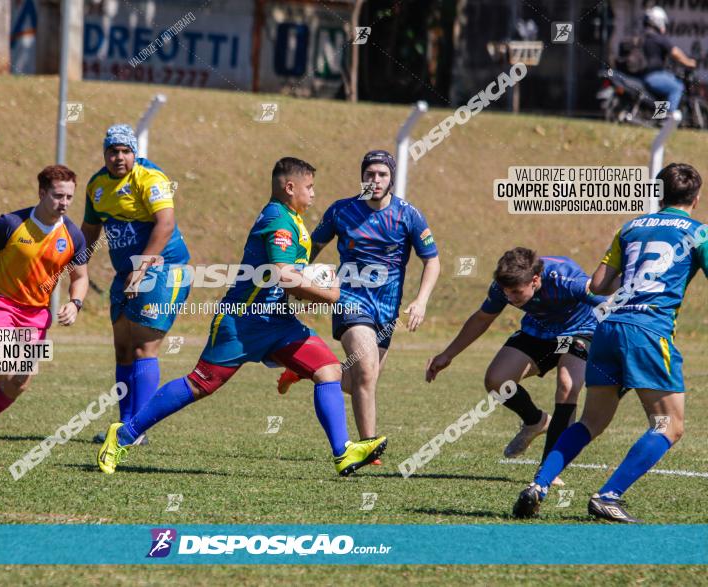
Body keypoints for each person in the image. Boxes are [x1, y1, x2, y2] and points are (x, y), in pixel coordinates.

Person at [96, 157, 387, 476]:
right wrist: (331, 294)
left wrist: (314, 280)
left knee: (328, 369)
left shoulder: (292, 218)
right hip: (243, 321)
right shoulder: (278, 220)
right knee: (199, 385)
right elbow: (282, 275)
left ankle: (342, 453)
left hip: (277, 322)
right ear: (290, 188)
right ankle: (122, 435)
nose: (314, 193)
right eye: (310, 187)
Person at [513, 163, 706, 523]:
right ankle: (608, 495)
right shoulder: (699, 233)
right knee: (669, 424)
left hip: (606, 330)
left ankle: (539, 485)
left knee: (590, 421)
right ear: (696, 197)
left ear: (659, 194)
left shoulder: (630, 228)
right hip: (648, 331)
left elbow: (598, 285)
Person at [275, 150, 440, 467]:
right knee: (365, 371)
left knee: (359, 380)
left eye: (382, 174)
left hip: (387, 310)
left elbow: (431, 260)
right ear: (362, 175)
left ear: (391, 178)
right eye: (369, 173)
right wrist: (294, 281)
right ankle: (368, 447)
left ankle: (305, 371)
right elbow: (310, 246)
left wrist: (421, 301)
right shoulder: (341, 210)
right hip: (350, 301)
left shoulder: (408, 215)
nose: (375, 180)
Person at [426, 248, 605, 483]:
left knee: (567, 385)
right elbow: (482, 318)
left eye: (516, 293)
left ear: (535, 280)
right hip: (538, 333)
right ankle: (536, 421)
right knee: (497, 381)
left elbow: (610, 304)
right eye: (506, 293)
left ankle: (549, 469)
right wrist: (448, 354)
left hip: (578, 332)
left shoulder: (566, 279)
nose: (510, 298)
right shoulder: (505, 286)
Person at [0, 164, 88, 449]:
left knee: (20, 380)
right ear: (41, 193)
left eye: (70, 197)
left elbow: (80, 277)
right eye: (58, 196)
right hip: (0, 302)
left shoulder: (73, 235)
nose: (65, 203)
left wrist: (75, 303)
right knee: (0, 363)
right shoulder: (10, 223)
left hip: (36, 314)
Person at [81, 124, 190, 445]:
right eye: (113, 151)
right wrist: (76, 267)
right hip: (125, 273)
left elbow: (165, 223)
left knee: (144, 346)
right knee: (124, 349)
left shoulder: (150, 178)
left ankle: (136, 430)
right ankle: (124, 425)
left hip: (162, 269)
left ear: (135, 153)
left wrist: (141, 267)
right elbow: (89, 231)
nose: (119, 157)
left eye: (126, 151)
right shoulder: (97, 185)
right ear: (104, 154)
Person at [641, 6, 697, 112]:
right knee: (677, 87)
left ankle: (659, 115)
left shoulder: (645, 36)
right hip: (653, 76)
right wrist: (689, 62)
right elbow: (675, 52)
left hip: (646, 75)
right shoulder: (657, 38)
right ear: (658, 21)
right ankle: (669, 118)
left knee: (667, 86)